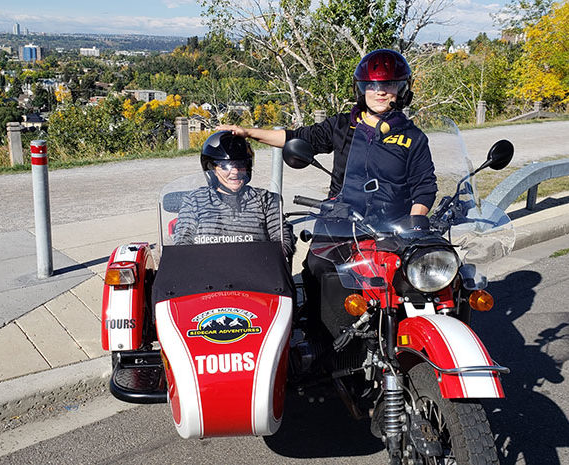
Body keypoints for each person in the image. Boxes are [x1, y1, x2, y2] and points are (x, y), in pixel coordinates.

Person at [218, 49, 437, 319]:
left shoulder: (412, 137)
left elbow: (424, 186)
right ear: (361, 89)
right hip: (342, 221)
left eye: (388, 85)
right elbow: (297, 138)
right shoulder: (344, 126)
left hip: (392, 226)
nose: (380, 92)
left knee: (417, 280)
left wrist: (413, 227)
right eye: (372, 85)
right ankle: (319, 332)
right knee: (317, 267)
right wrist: (248, 133)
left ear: (401, 89)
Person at [174, 130, 295, 259]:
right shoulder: (194, 201)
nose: (235, 172)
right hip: (208, 271)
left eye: (241, 165)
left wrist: (264, 258)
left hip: (256, 270)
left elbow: (283, 241)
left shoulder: (265, 199)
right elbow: (182, 244)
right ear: (212, 168)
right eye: (226, 166)